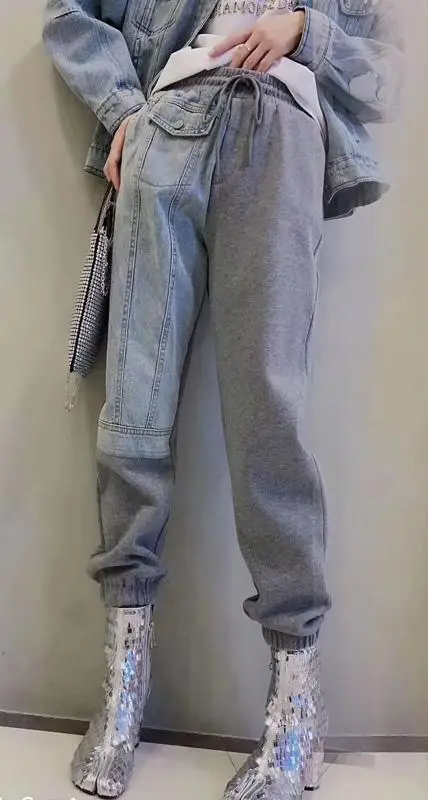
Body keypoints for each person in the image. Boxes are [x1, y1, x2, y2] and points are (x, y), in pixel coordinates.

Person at [42, 1, 402, 797]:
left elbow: (390, 64)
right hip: (169, 126)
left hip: (282, 129)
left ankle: (297, 706)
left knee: (268, 420)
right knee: (134, 414)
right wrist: (124, 110)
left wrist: (307, 29)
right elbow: (68, 11)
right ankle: (123, 689)